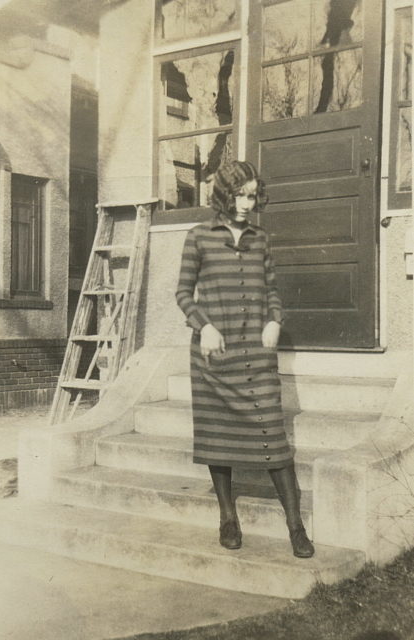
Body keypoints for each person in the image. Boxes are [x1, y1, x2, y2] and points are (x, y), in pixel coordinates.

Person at [175, 160, 314, 558]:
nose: (246, 203)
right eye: (239, 195)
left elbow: (271, 289)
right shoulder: (198, 237)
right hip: (214, 354)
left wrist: (275, 318)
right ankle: (227, 517)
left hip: (256, 354)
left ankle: (296, 526)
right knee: (218, 439)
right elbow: (183, 293)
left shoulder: (260, 238)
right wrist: (204, 325)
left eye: (252, 196)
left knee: (274, 436)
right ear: (223, 194)